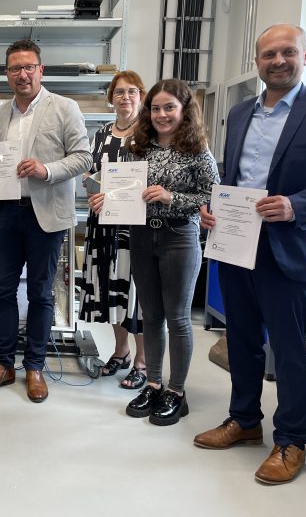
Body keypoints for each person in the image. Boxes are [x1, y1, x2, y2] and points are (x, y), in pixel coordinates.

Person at [194, 24, 306, 484]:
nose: (277, 61)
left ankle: (291, 441)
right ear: (258, 61)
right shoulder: (241, 113)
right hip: (240, 245)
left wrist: (296, 205)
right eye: (268, 54)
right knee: (240, 339)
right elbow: (236, 176)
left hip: (292, 248)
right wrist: (214, 207)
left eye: (287, 52)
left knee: (287, 350)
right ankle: (244, 421)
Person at [0, 39, 91, 402]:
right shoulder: (2, 114)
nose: (22, 74)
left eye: (29, 67)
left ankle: (35, 366)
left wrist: (46, 169)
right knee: (2, 290)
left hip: (46, 216)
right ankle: (3, 365)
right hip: (7, 212)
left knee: (40, 293)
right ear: (6, 74)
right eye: (14, 68)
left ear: (41, 69)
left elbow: (84, 157)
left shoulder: (65, 108)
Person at [124, 78, 219, 426]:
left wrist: (171, 198)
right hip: (141, 236)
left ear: (184, 110)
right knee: (151, 316)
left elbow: (215, 196)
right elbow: (126, 189)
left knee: (178, 318)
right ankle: (153, 382)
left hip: (179, 237)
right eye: (155, 108)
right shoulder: (139, 147)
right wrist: (108, 198)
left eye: (169, 107)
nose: (162, 114)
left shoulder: (197, 150)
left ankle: (176, 392)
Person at [79, 70, 147, 388]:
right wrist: (90, 186)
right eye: (119, 92)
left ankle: (143, 362)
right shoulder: (103, 133)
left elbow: (147, 182)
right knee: (112, 293)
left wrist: (112, 194)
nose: (125, 97)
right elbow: (95, 172)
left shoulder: (148, 134)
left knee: (136, 295)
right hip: (104, 225)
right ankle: (120, 352)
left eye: (132, 91)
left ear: (141, 96)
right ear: (111, 98)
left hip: (134, 229)